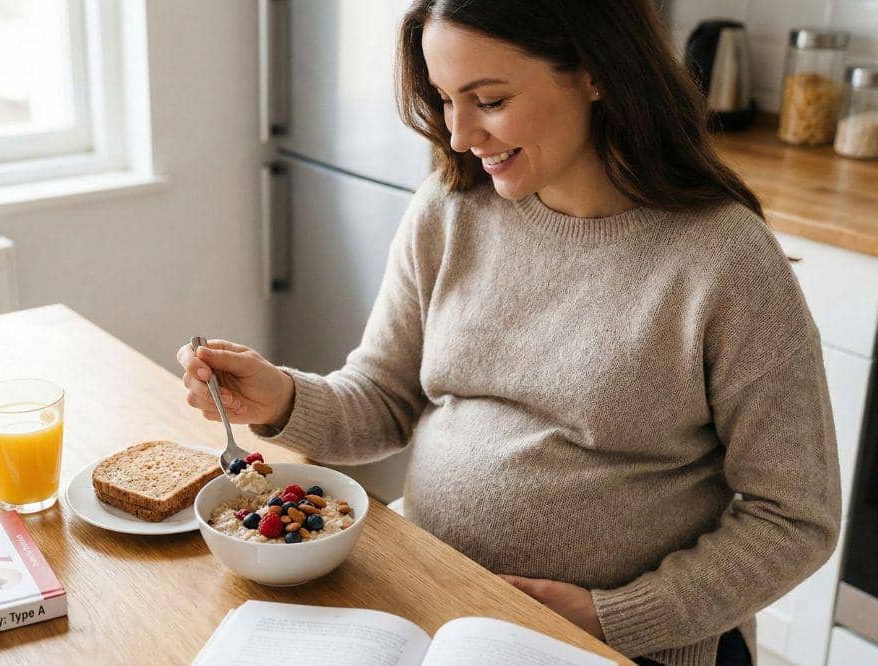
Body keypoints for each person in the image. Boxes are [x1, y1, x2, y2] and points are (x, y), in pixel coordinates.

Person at [177, 2, 841, 664]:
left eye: (488, 100)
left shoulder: (726, 261)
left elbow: (795, 517)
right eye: (444, 100)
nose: (461, 135)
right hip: (436, 602)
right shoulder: (450, 209)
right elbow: (383, 396)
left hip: (623, 645)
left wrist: (612, 617)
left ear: (594, 73)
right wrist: (280, 399)